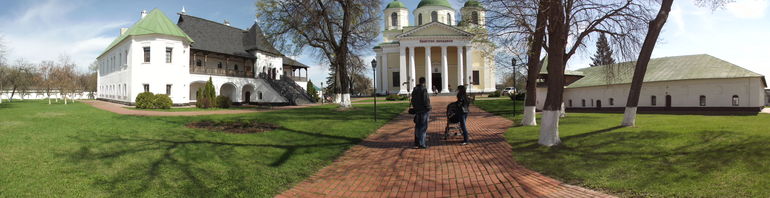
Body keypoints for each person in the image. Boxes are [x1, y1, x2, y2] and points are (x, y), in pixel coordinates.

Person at [411, 77, 431, 149]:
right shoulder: (423, 89)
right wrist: (428, 107)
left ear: (419, 82)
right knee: (423, 127)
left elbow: (412, 100)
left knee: (417, 127)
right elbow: (425, 100)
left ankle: (417, 142)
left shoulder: (415, 89)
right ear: (424, 82)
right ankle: (422, 144)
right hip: (423, 111)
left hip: (417, 111)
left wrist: (415, 107)